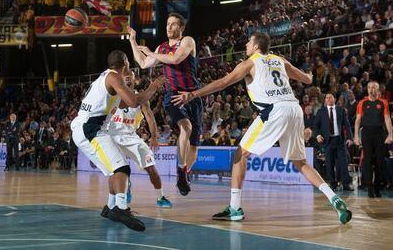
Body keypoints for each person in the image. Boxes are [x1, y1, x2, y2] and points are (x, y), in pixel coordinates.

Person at [172, 32, 352, 224]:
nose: (247, 45)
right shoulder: (279, 60)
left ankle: (234, 208)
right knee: (301, 162)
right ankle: (334, 198)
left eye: (249, 42)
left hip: (274, 110)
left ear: (256, 46)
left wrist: (193, 95)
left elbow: (223, 83)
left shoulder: (249, 63)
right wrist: (310, 73)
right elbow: (307, 80)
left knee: (239, 155)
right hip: (294, 108)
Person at [70, 50, 164, 231]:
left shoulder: (105, 78)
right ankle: (121, 209)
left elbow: (124, 103)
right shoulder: (114, 77)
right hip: (91, 129)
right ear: (125, 64)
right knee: (122, 168)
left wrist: (140, 95)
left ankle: (110, 207)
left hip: (87, 128)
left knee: (114, 171)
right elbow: (134, 101)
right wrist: (153, 87)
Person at [128, 12, 202, 196]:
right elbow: (143, 63)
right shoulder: (161, 48)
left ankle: (185, 172)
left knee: (194, 147)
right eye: (167, 24)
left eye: (173, 24)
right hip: (173, 95)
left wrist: (151, 52)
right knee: (186, 127)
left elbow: (176, 59)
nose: (169, 27)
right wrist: (132, 40)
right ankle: (180, 169)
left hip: (193, 95)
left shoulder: (187, 42)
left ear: (181, 28)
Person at [107, 71, 172, 208]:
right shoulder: (113, 94)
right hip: (112, 136)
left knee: (151, 168)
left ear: (134, 79)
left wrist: (154, 136)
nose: (128, 79)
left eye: (130, 76)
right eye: (125, 77)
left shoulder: (141, 97)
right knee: (116, 170)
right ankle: (116, 199)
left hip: (131, 137)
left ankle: (160, 197)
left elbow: (149, 117)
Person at [354, 82, 393, 197]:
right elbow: (357, 120)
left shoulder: (383, 102)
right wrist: (356, 136)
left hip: (380, 134)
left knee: (380, 162)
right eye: (370, 87)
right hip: (366, 133)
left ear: (377, 89)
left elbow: (387, 120)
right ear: (367, 89)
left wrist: (390, 134)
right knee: (368, 161)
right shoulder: (362, 103)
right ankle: (369, 187)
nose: (371, 89)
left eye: (374, 87)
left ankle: (377, 186)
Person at [315, 93, 354, 191]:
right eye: (327, 97)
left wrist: (350, 138)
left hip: (339, 140)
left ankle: (346, 184)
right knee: (329, 163)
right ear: (325, 100)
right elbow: (316, 126)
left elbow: (347, 125)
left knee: (343, 162)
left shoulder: (341, 110)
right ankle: (333, 184)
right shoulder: (321, 112)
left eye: (330, 97)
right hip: (327, 141)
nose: (328, 99)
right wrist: (318, 135)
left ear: (334, 99)